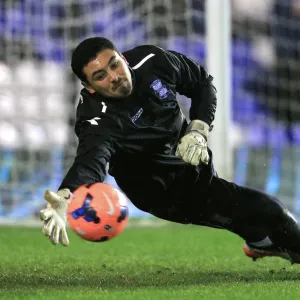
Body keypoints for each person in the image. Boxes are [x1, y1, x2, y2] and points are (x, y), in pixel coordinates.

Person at [40, 37, 300, 264]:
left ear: (122, 57)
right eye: (100, 76)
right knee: (268, 212)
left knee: (235, 212)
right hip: (160, 189)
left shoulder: (153, 60)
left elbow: (201, 83)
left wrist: (198, 129)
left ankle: (260, 241)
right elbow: (91, 161)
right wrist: (67, 196)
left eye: (114, 63)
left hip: (190, 158)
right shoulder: (97, 118)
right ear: (90, 88)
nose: (114, 76)